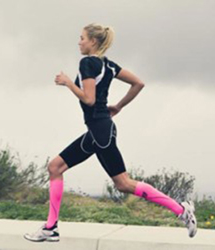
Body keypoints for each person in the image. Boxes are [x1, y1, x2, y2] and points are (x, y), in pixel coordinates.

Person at [24, 23, 197, 242]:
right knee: (55, 167)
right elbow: (138, 83)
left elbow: (89, 99)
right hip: (99, 130)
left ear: (93, 41)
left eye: (82, 38)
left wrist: (68, 83)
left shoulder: (87, 63)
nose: (79, 42)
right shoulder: (109, 65)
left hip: (100, 132)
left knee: (124, 183)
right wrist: (119, 106)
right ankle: (50, 228)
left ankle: (182, 211)